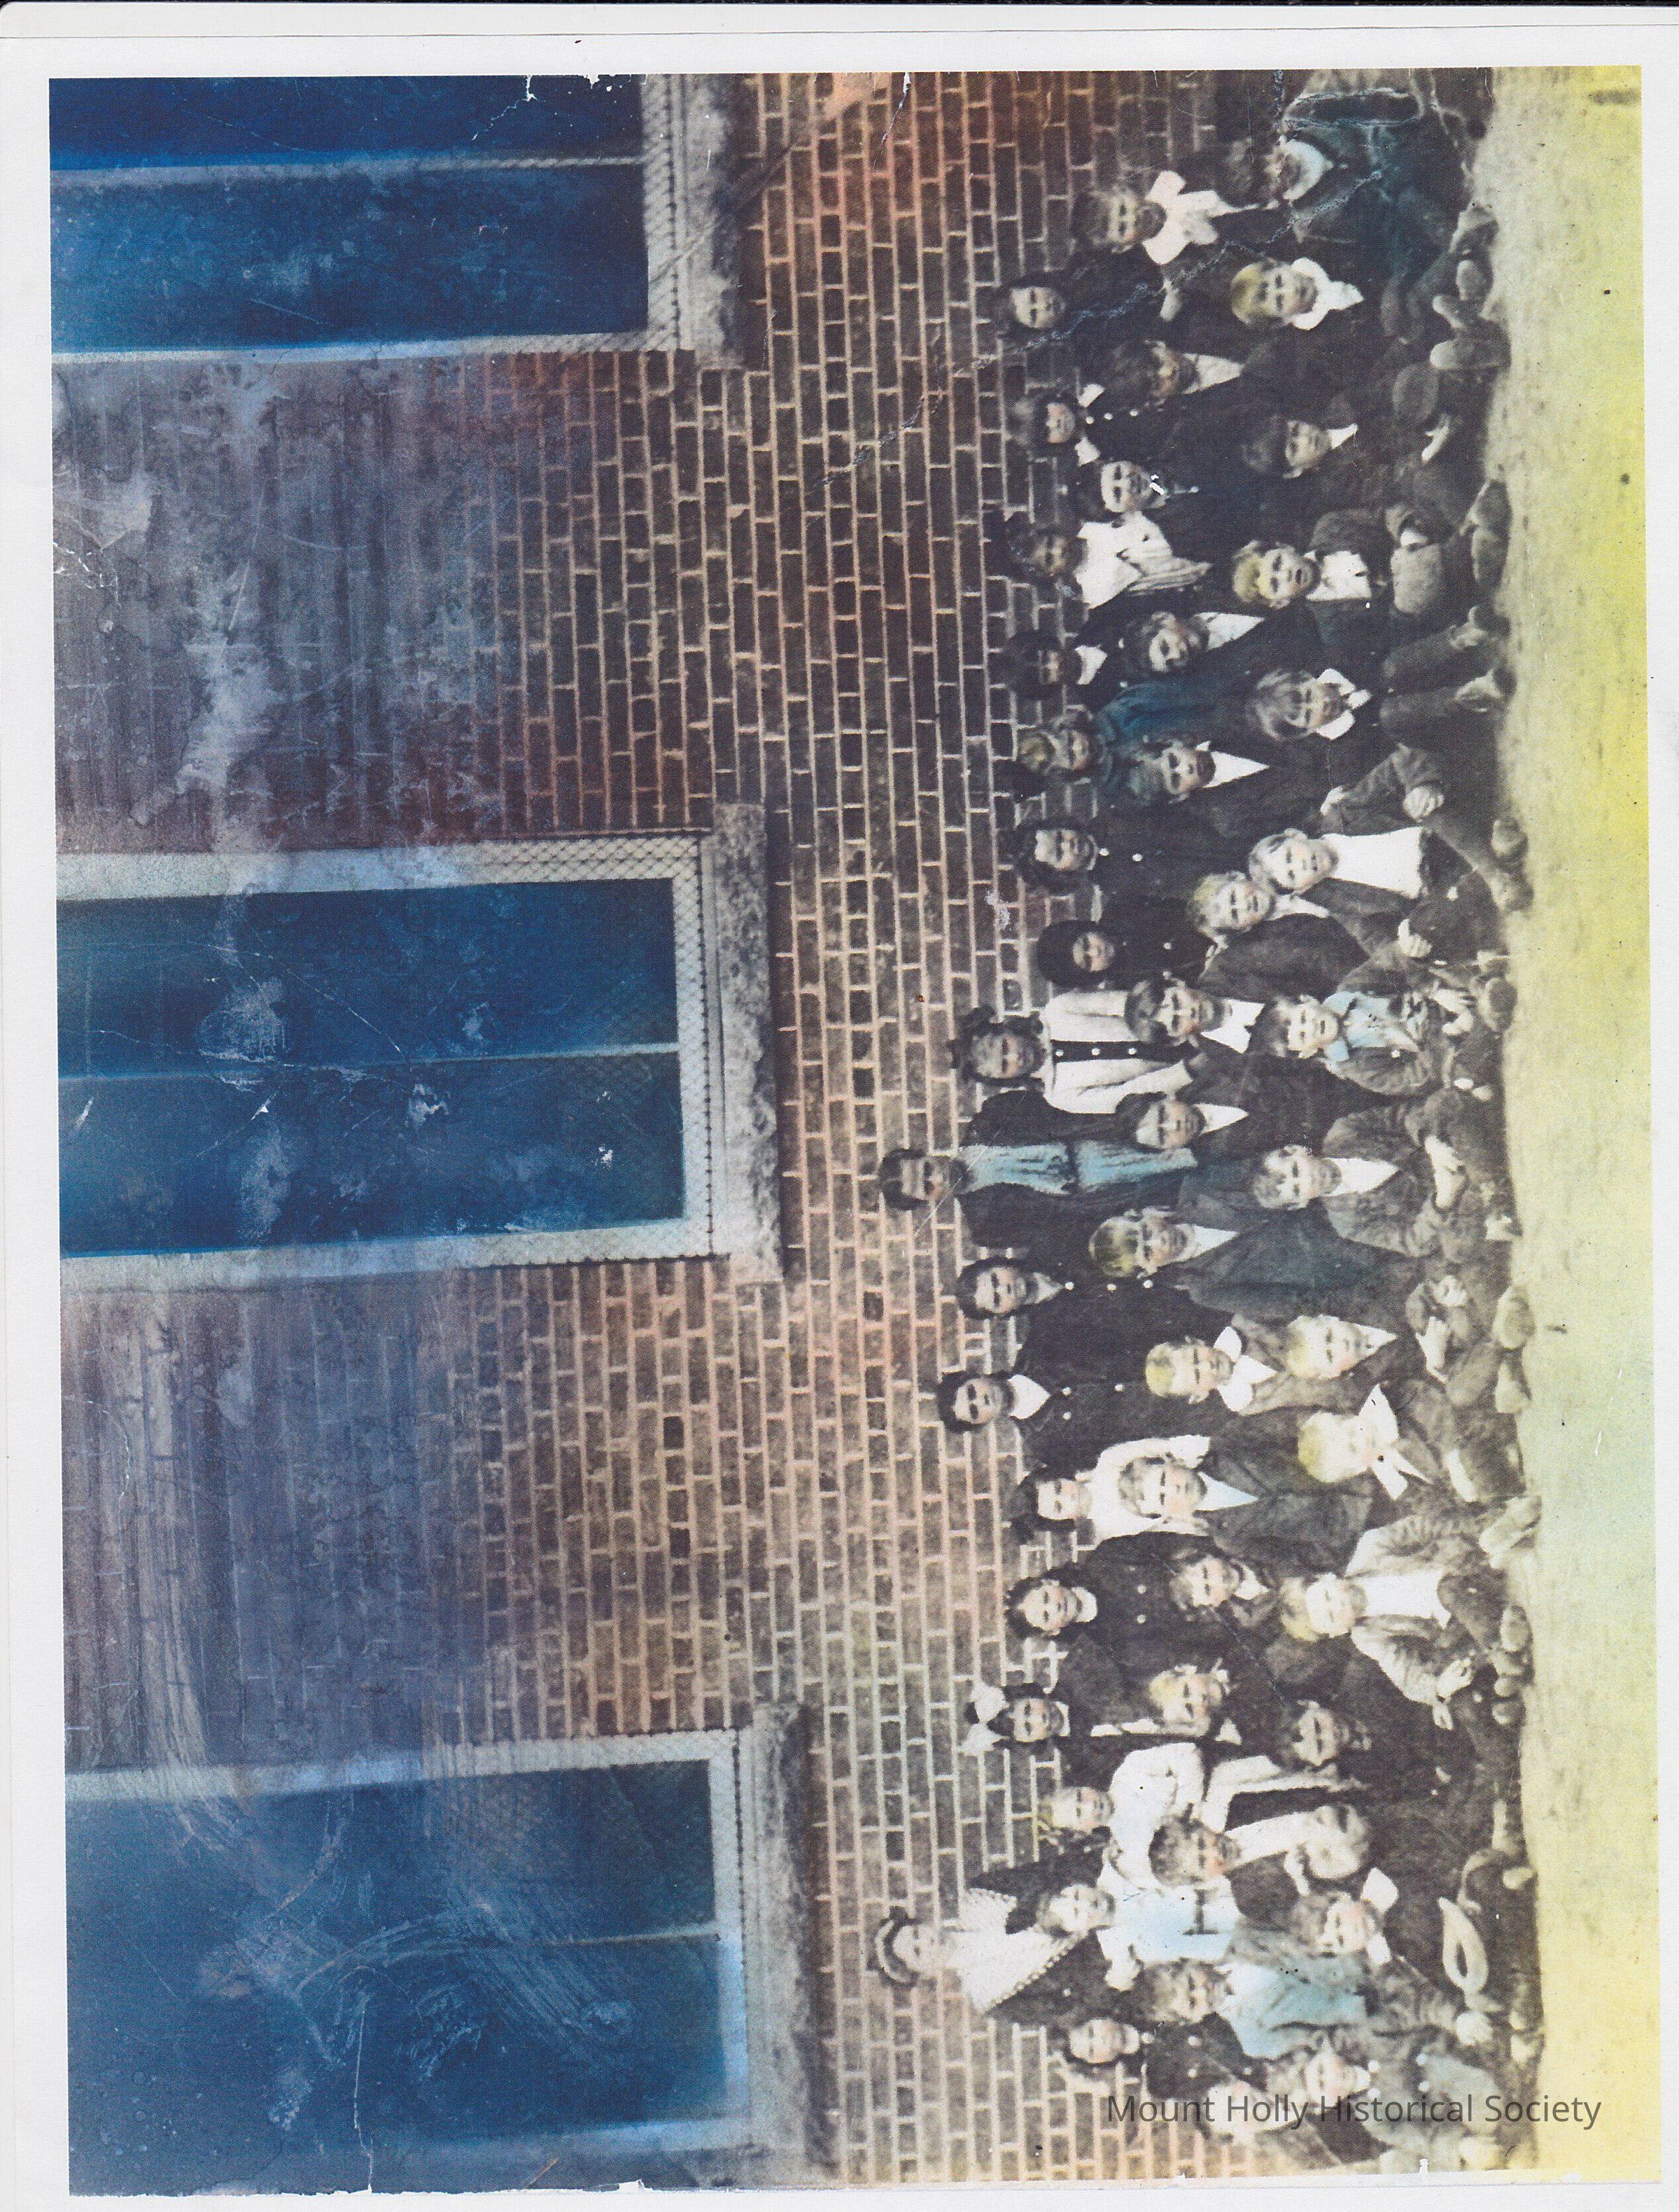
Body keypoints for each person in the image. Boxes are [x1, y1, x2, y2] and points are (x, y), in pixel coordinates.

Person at [1274, 1490, 1542, 1719]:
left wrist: (1476, 1529)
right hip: (1455, 1624)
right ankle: (1506, 1651)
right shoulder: (1367, 1637)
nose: (1339, 1606)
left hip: (1458, 1567)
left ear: (1328, 1578)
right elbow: (1405, 1673)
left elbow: (1425, 1527)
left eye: (1327, 1597)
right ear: (1337, 1633)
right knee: (1452, 1665)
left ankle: (1502, 1650)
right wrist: (1439, 1687)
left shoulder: (1371, 1548)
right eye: (1332, 1617)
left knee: (1451, 1588)